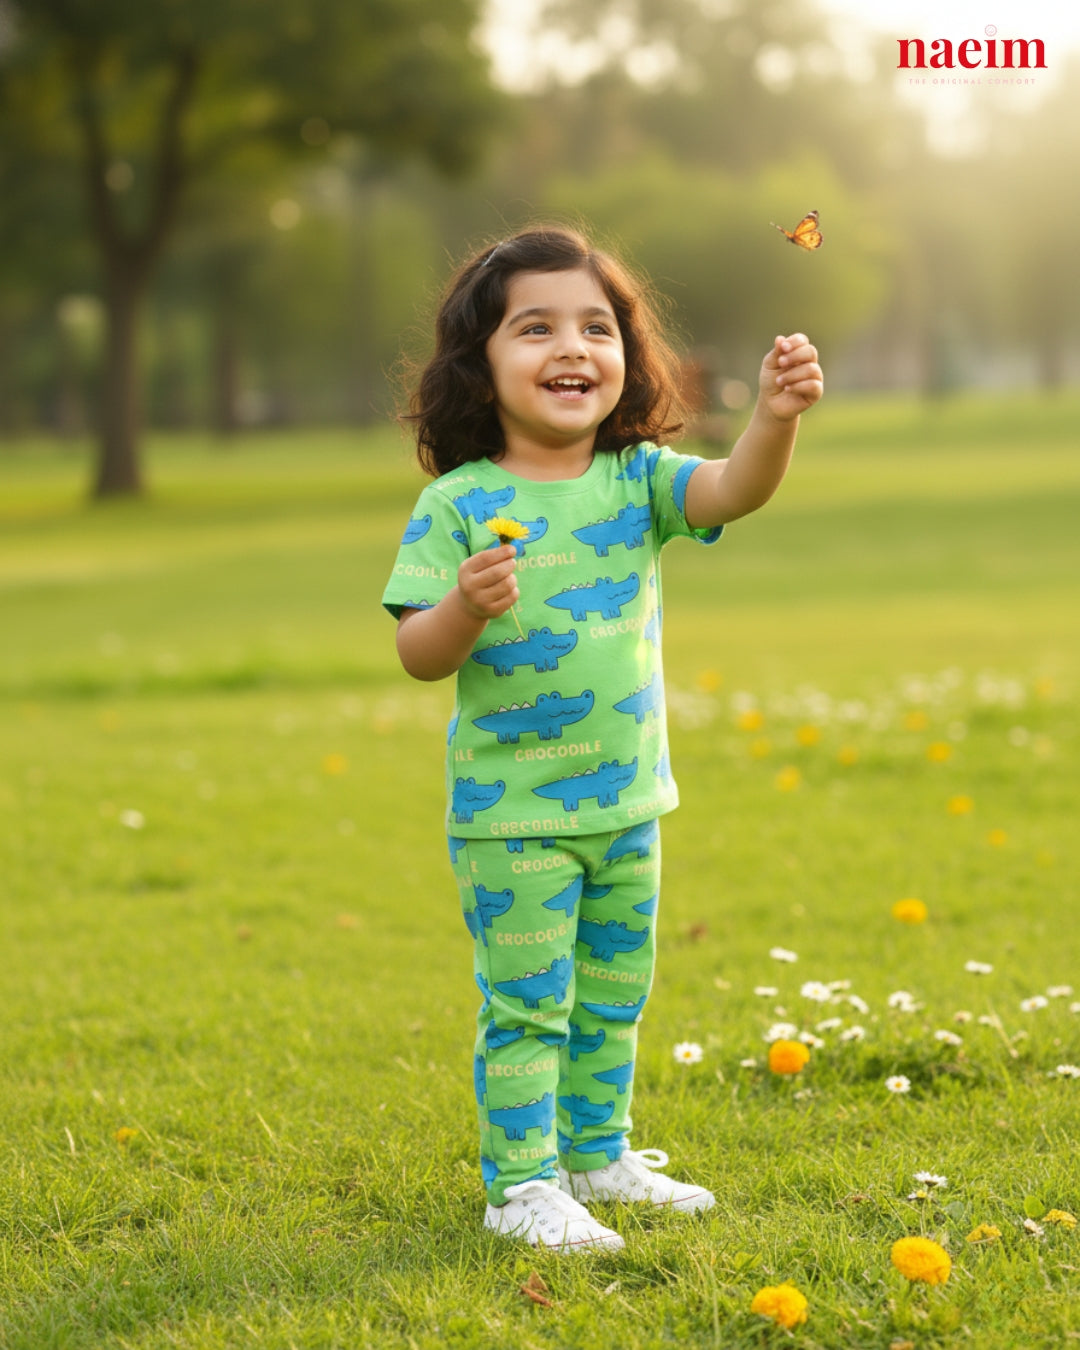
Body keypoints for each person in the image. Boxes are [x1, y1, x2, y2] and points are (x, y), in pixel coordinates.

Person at [382, 224, 823, 1253]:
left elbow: (735, 490)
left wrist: (774, 418)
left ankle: (596, 1153)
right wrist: (464, 607)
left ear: (627, 357)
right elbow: (418, 654)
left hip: (629, 806)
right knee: (531, 1005)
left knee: (616, 994)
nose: (571, 347)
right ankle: (521, 1185)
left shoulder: (638, 482)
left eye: (596, 327)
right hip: (515, 821)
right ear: (479, 363)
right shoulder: (458, 506)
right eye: (534, 328)